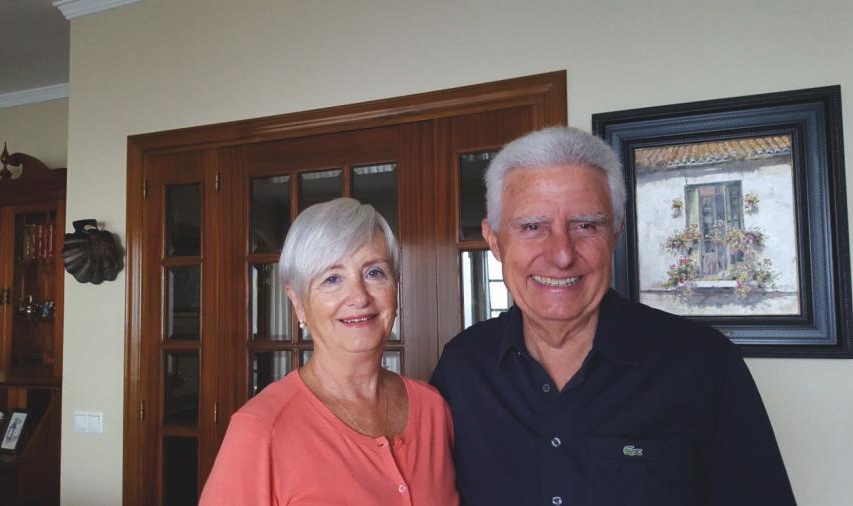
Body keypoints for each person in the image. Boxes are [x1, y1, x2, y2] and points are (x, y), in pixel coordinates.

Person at [430, 127, 795, 505]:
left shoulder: (705, 364)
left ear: (616, 234)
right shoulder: (463, 366)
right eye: (533, 227)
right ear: (494, 241)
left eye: (585, 225)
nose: (562, 255)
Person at [200, 198, 458, 505]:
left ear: (396, 287)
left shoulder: (434, 408)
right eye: (332, 278)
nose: (359, 297)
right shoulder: (260, 429)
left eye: (375, 273)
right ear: (298, 302)